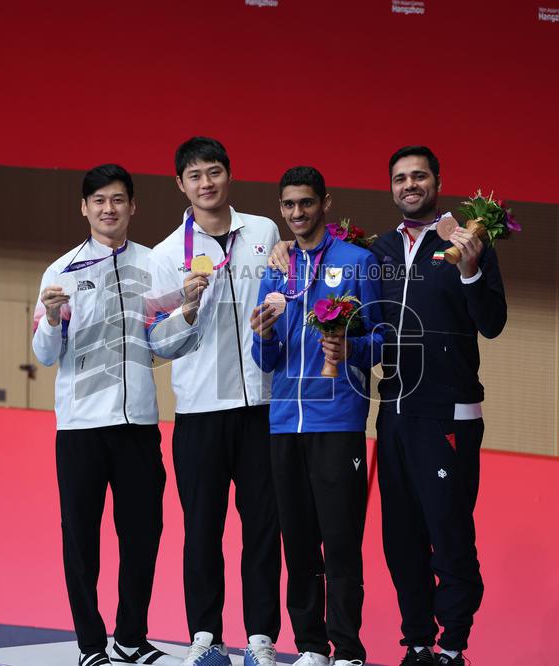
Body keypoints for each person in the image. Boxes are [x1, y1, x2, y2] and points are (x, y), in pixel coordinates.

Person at [32, 164, 177, 666]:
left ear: (133, 206)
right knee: (82, 541)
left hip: (138, 424)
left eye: (118, 200)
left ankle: (131, 640)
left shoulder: (156, 265)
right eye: (99, 201)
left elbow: (170, 341)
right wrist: (52, 319)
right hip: (80, 430)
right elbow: (45, 354)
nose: (108, 209)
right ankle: (91, 646)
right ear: (84, 208)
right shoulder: (60, 272)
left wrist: (191, 312)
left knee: (143, 536)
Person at [145, 137, 282, 666]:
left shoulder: (264, 231)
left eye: (215, 171)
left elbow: (282, 291)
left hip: (262, 408)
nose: (207, 182)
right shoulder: (163, 257)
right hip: (199, 411)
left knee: (263, 528)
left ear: (230, 175)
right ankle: (205, 637)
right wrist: (186, 308)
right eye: (195, 175)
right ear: (180, 184)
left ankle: (261, 640)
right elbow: (156, 343)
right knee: (203, 528)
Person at [370, 146, 507, 666]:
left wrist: (471, 269)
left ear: (437, 181)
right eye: (400, 177)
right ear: (391, 186)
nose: (410, 184)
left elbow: (492, 323)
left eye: (419, 175)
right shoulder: (380, 250)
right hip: (394, 413)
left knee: (448, 535)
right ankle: (419, 643)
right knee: (400, 539)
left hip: (449, 413)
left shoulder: (468, 241)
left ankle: (452, 646)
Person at [250, 166, 382, 666]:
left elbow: (383, 339)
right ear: (281, 209)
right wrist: (262, 336)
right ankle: (311, 647)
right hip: (284, 424)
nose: (297, 213)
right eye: (288, 205)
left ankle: (347, 649)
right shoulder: (275, 270)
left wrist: (350, 347)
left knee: (341, 542)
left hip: (338, 423)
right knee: (299, 545)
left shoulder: (358, 262)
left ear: (324, 203)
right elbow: (265, 360)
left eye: (306, 203)